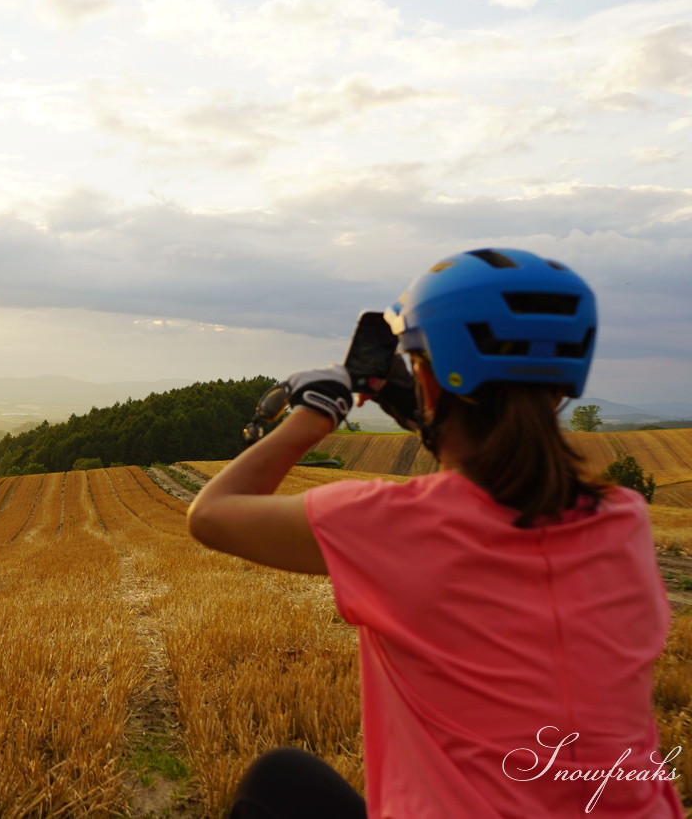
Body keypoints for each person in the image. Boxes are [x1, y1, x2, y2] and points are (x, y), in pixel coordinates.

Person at [187, 248, 683, 818]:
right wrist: (430, 414)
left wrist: (319, 409)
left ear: (429, 376)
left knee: (280, 781)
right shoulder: (623, 520)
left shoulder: (395, 523)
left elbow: (212, 514)